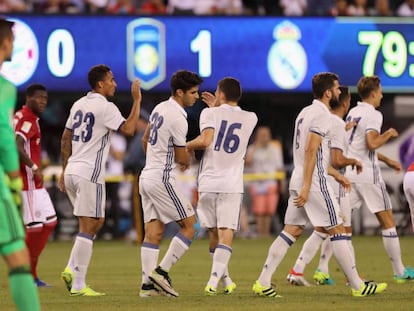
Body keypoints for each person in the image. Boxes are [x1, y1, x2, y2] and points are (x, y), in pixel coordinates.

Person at [252, 72, 387, 298]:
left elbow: (312, 146)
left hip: (299, 177)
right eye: (335, 88)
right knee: (338, 230)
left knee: (291, 231)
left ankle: (262, 281)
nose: (338, 92)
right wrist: (307, 187)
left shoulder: (305, 112)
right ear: (327, 93)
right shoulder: (322, 115)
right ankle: (358, 286)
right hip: (313, 181)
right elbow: (311, 149)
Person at [58, 64, 141, 296]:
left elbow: (65, 139)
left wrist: (65, 171)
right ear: (101, 84)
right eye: (112, 80)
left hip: (73, 170)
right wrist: (136, 101)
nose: (115, 83)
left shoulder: (79, 104)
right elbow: (130, 129)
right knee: (89, 225)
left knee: (96, 222)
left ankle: (70, 267)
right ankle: (78, 283)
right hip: (89, 174)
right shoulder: (106, 107)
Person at [186, 77, 257, 295]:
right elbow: (229, 119)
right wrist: (219, 104)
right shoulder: (251, 117)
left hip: (208, 181)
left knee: (214, 234)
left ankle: (221, 282)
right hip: (231, 183)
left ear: (221, 94)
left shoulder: (209, 113)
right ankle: (216, 281)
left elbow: (206, 139)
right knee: (227, 234)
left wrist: (184, 145)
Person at [285, 86, 362, 286]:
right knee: (341, 230)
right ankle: (352, 280)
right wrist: (350, 164)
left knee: (322, 229)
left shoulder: (329, 121)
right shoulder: (331, 120)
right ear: (345, 102)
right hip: (332, 184)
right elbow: (334, 159)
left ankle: (307, 269)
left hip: (320, 179)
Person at [139, 70, 203, 298]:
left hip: (146, 176)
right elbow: (181, 157)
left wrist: (156, 159)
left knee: (154, 232)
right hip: (162, 178)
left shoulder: (158, 108)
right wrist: (186, 157)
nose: (196, 97)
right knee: (190, 226)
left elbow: (144, 139)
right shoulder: (178, 116)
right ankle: (161, 272)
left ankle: (147, 287)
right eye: (193, 92)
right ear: (179, 92)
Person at [345, 75, 414, 283]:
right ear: (373, 93)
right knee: (388, 222)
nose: (382, 95)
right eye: (381, 92)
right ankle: (400, 271)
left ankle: (350, 276)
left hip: (350, 172)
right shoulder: (373, 114)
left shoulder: (352, 112)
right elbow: (372, 143)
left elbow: (358, 147)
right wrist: (388, 134)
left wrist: (388, 160)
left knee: (342, 228)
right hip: (367, 175)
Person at [0, 18, 41, 310]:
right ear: (4, 43)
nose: (14, 45)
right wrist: (15, 182)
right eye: (12, 39)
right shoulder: (4, 88)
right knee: (17, 257)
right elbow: (4, 138)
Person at [13, 83, 58, 287]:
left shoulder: (25, 117)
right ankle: (24, 274)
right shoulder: (27, 119)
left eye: (45, 99)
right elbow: (17, 144)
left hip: (36, 185)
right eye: (39, 98)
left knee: (50, 223)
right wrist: (33, 166)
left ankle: (30, 272)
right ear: (28, 98)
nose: (42, 102)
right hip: (28, 184)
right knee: (34, 228)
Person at [245, 126, 284, 238]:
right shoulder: (252, 148)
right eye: (262, 135)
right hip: (257, 182)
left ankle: (266, 233)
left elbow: (279, 167)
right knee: (259, 210)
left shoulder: (274, 148)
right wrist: (254, 148)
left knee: (269, 210)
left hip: (271, 182)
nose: (264, 138)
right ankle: (260, 232)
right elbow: (247, 162)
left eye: (266, 135)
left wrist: (281, 183)